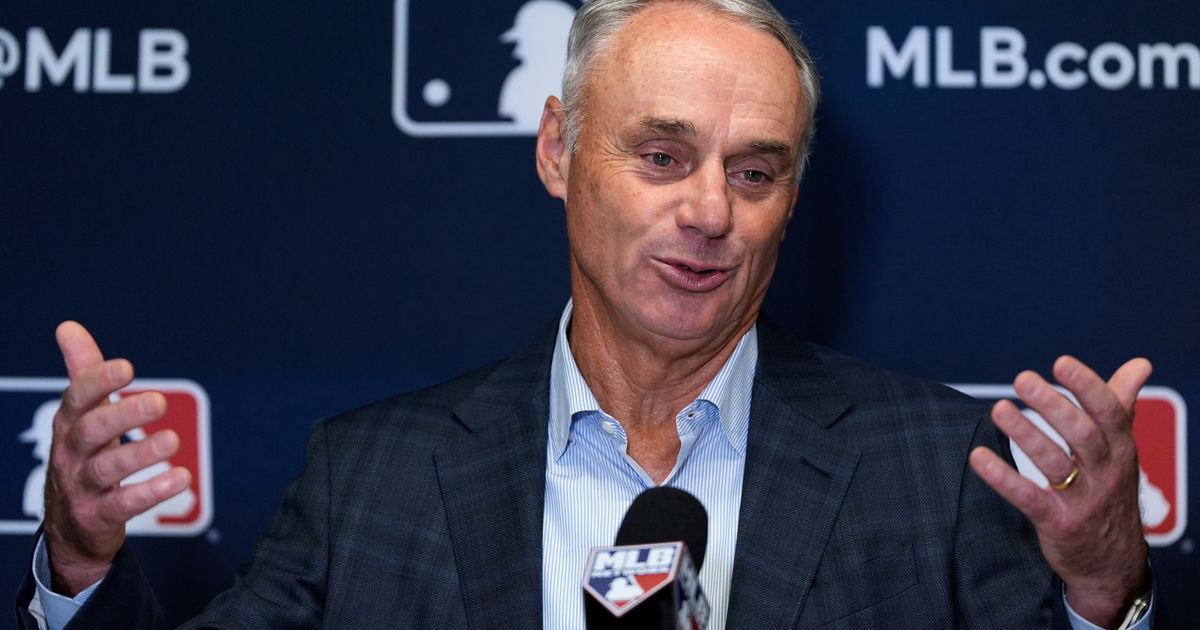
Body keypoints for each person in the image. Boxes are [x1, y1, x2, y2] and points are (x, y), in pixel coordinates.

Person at [17, 0, 1156, 628]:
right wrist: (75, 565)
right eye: (662, 156)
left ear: (791, 201)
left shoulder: (936, 466)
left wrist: (1104, 593)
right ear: (559, 150)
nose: (709, 212)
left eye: (755, 173)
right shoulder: (371, 479)